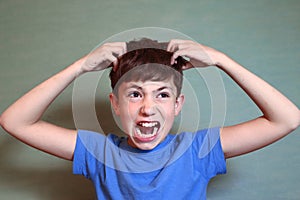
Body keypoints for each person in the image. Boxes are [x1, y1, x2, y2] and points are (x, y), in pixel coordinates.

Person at [0, 38, 299, 199]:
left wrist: (221, 60)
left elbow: (286, 119)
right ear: (115, 104)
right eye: (134, 94)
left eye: (162, 95)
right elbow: (15, 121)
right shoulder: (101, 154)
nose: (147, 107)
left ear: (178, 104)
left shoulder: (197, 151)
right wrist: (78, 67)